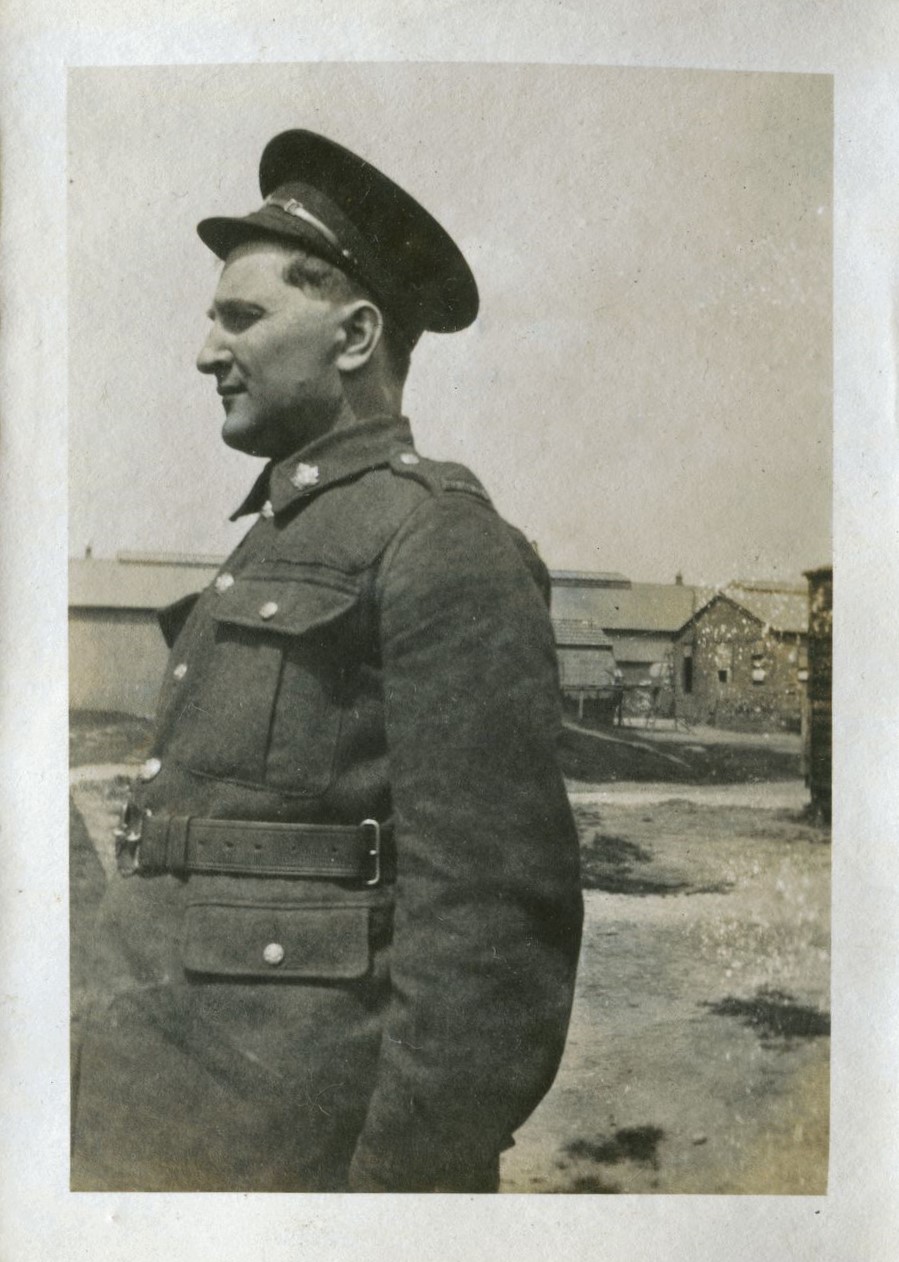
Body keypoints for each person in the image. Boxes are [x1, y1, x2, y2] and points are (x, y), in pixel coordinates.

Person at [71, 129, 583, 1193]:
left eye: (241, 316)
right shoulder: (275, 536)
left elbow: (490, 927)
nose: (205, 351)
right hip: (160, 1123)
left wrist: (400, 1202)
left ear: (355, 334)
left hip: (288, 1158)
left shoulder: (438, 539)